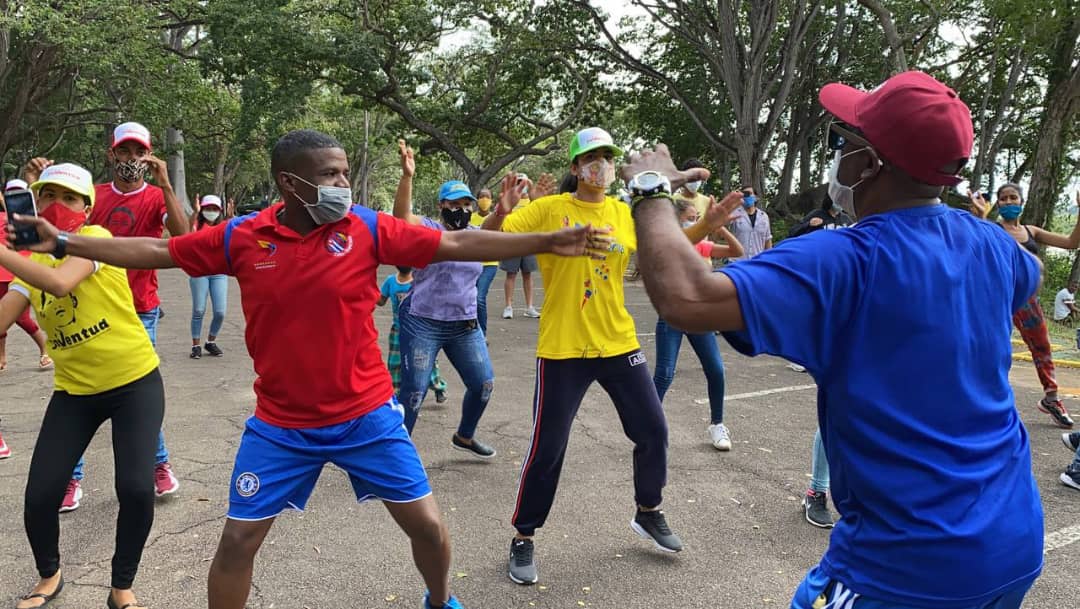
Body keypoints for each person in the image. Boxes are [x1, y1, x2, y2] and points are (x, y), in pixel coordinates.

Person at [12, 129, 598, 609]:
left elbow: (452, 244)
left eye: (344, 173)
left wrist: (549, 238)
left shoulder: (365, 227)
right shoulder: (245, 236)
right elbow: (159, 252)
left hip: (366, 414)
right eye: (331, 175)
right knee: (237, 541)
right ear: (290, 183)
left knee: (428, 527)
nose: (343, 184)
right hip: (281, 426)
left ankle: (439, 600)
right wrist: (66, 242)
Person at [629, 71, 1043, 609]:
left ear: (868, 163)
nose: (836, 156)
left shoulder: (844, 258)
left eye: (841, 143)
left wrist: (650, 190)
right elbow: (1030, 266)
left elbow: (686, 298)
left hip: (905, 567)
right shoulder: (993, 245)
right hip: (1014, 540)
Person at [484, 127, 714, 585]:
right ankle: (524, 536)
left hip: (618, 342)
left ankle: (648, 510)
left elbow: (674, 244)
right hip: (564, 346)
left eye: (607, 157)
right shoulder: (549, 210)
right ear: (575, 167)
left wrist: (712, 221)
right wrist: (500, 212)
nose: (601, 165)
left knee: (653, 430)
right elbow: (487, 244)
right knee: (548, 447)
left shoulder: (624, 212)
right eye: (591, 157)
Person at [2, 163, 164, 609]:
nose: (57, 205)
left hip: (134, 382)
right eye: (48, 196)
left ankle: (121, 587)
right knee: (39, 496)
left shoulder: (99, 241)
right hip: (75, 392)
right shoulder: (28, 261)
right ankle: (49, 577)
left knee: (134, 488)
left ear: (87, 206)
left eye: (69, 198)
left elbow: (59, 280)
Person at [23, 121, 187, 507]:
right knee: (77, 392)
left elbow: (183, 238)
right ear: (111, 154)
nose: (131, 159)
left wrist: (165, 184)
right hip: (86, 307)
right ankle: (70, 477)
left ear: (147, 157)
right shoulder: (91, 195)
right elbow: (49, 231)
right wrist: (38, 183)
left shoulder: (152, 197)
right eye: (125, 152)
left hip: (139, 307)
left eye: (139, 153)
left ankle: (156, 465)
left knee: (138, 394)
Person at [391, 140, 498, 457]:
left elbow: (492, 231)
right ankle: (395, 453)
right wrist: (407, 176)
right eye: (453, 204)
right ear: (441, 206)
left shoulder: (476, 232)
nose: (460, 210)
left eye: (466, 203)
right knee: (414, 391)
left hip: (463, 324)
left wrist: (503, 208)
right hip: (423, 321)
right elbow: (401, 217)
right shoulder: (427, 229)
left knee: (483, 385)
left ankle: (465, 436)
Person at [971, 184, 1079, 429]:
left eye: (1013, 198)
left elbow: (1072, 242)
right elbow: (977, 242)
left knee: (1042, 348)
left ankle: (1051, 398)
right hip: (998, 299)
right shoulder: (993, 229)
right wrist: (981, 217)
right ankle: (985, 402)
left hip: (1028, 300)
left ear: (1022, 200)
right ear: (998, 204)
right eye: (1004, 199)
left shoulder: (1031, 231)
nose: (1009, 202)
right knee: (994, 350)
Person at [784, 195, 856, 528]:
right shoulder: (833, 234)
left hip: (891, 341)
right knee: (837, 416)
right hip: (844, 338)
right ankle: (817, 492)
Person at [654, 197, 743, 451]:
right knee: (664, 374)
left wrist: (721, 228)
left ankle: (717, 424)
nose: (696, 221)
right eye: (691, 218)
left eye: (697, 217)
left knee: (716, 370)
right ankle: (648, 424)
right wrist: (706, 225)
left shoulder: (702, 246)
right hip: (672, 316)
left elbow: (737, 252)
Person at [0, 179, 52, 372]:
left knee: (22, 319)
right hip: (0, 276)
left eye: (20, 193)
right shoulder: (2, 217)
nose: (16, 198)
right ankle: (2, 358)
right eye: (11, 194)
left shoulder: (36, 220)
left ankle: (44, 350)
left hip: (21, 274)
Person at [377, 265, 449, 402]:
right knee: (394, 363)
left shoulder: (419, 280)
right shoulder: (390, 281)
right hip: (398, 330)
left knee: (427, 361)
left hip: (419, 329)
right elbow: (380, 301)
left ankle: (438, 388)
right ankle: (396, 393)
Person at [187, 194, 229, 359]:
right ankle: (196, 345)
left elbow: (236, 231)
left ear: (219, 211)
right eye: (208, 209)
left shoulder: (223, 226)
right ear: (202, 209)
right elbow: (189, 231)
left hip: (218, 273)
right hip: (199, 272)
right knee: (199, 309)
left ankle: (210, 341)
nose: (211, 212)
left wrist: (231, 217)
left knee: (220, 312)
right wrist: (194, 213)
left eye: (214, 209)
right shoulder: (197, 225)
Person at [500, 175, 541, 320]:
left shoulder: (532, 200)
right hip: (512, 240)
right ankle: (508, 306)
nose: (521, 185)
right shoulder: (511, 198)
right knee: (511, 274)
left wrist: (530, 186)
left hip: (529, 241)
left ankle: (529, 307)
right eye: (518, 182)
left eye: (523, 182)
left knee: (527, 274)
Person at [470, 188, 499, 335]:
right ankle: (471, 331)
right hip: (472, 263)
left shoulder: (496, 218)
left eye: (487, 197)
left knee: (479, 297)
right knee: (469, 298)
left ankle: (482, 333)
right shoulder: (470, 217)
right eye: (481, 197)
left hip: (489, 264)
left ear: (492, 200)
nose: (484, 200)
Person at [728, 185, 771, 259]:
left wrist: (769, 259)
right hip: (737, 261)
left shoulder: (764, 217)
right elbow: (723, 227)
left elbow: (768, 240)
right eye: (745, 194)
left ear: (756, 198)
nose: (747, 197)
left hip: (757, 261)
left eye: (749, 193)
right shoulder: (734, 213)